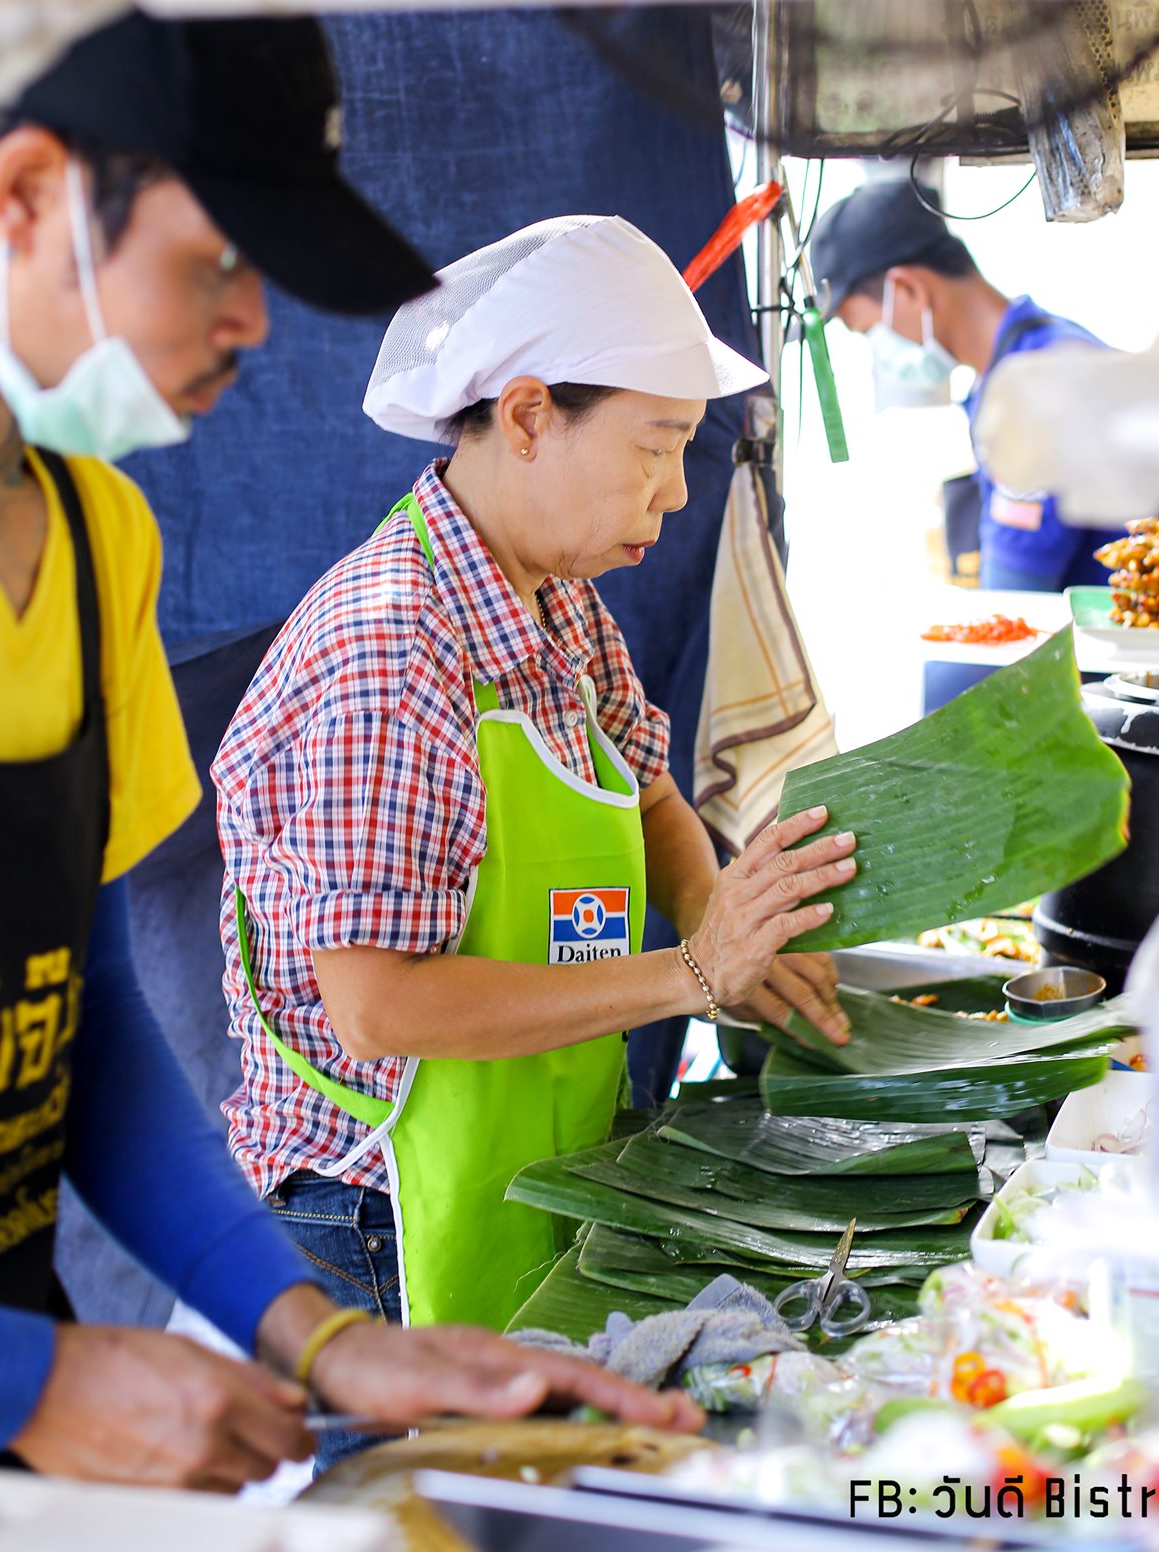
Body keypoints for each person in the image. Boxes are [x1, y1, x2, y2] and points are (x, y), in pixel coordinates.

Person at [0, 16, 696, 1497]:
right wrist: (18, 1376)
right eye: (218, 263)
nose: (254, 323)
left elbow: (83, 1033)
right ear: (22, 196)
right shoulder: (384, 638)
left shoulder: (93, 548)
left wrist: (320, 1335)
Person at [217, 214, 859, 1462]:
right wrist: (686, 975)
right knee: (422, 1519)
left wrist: (736, 927)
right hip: (375, 1218)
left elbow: (653, 791)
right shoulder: (393, 650)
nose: (677, 491)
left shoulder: (556, 600)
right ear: (526, 416)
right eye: (656, 448)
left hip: (532, 1152)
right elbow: (381, 1007)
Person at [811, 176, 1128, 592]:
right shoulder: (1040, 353)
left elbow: (1011, 613)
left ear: (907, 290)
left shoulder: (1031, 390)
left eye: (868, 331)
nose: (878, 353)